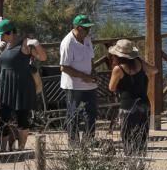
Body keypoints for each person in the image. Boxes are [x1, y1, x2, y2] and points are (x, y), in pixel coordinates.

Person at [0, 19, 47, 150]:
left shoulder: (25, 44)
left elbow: (43, 57)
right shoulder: (4, 45)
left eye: (3, 34)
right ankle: (2, 150)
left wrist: (36, 44)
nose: (1, 37)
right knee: (2, 118)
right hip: (6, 84)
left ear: (11, 32)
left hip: (21, 85)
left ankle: (21, 148)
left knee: (21, 118)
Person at [60, 14, 98, 145]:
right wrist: (83, 76)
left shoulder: (87, 39)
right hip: (73, 86)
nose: (89, 31)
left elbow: (91, 58)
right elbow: (64, 67)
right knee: (73, 115)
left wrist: (93, 71)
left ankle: (88, 140)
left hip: (89, 85)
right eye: (87, 29)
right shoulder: (68, 43)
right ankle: (74, 142)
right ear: (79, 28)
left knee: (91, 114)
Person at [107, 39, 149, 154]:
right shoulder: (139, 63)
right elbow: (154, 70)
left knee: (128, 136)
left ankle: (131, 164)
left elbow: (111, 87)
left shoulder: (118, 69)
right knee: (142, 135)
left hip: (128, 106)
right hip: (143, 104)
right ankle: (141, 162)